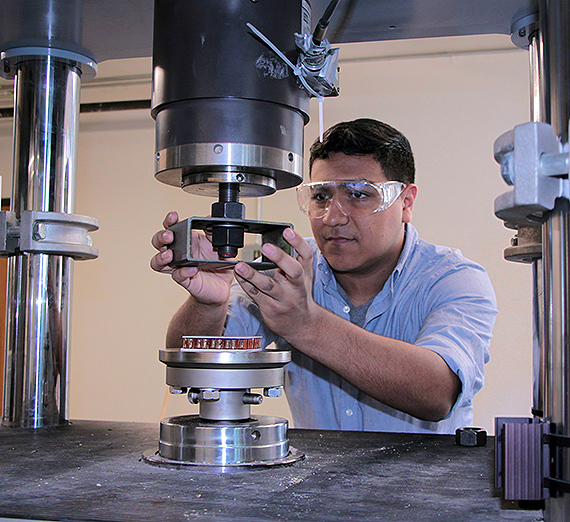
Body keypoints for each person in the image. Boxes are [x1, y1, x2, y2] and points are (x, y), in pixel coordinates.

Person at [151, 118, 497, 433]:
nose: (333, 218)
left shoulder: (453, 278)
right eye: (320, 196)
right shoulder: (289, 269)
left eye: (359, 194)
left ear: (406, 202)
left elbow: (436, 393)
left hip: (423, 494)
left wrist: (305, 325)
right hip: (313, 490)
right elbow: (194, 362)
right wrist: (208, 305)